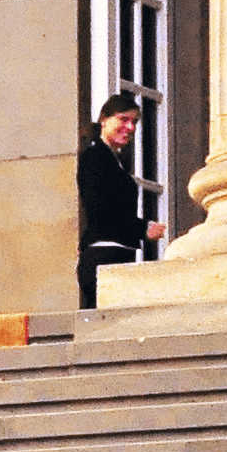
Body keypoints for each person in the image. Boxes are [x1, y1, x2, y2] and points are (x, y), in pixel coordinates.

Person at [79, 92, 152, 307]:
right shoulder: (94, 158)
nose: (130, 127)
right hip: (103, 256)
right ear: (104, 119)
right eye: (123, 119)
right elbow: (101, 211)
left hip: (116, 255)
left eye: (134, 122)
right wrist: (143, 228)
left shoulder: (115, 160)